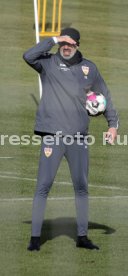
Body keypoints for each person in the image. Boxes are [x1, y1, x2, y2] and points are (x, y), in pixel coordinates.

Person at [23, 28, 118, 251]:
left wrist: (112, 125)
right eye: (63, 43)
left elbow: (105, 95)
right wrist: (54, 39)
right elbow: (28, 56)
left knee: (82, 188)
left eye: (70, 43)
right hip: (52, 137)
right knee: (43, 187)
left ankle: (82, 237)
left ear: (77, 45)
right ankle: (35, 239)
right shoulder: (47, 63)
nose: (66, 47)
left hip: (78, 138)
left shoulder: (89, 69)